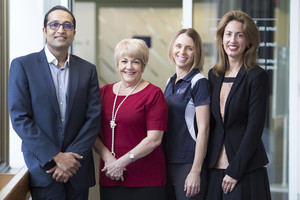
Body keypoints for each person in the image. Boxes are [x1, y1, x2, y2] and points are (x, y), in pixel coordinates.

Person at [8, 5, 102, 200]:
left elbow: (93, 118)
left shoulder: (87, 70)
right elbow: (20, 117)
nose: (61, 30)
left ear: (74, 33)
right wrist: (56, 157)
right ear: (44, 31)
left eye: (67, 25)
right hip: (43, 168)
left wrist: (71, 159)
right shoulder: (23, 66)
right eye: (54, 24)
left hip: (78, 167)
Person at [206, 10, 271, 200]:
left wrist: (235, 170)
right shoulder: (214, 75)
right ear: (221, 39)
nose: (232, 40)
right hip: (214, 168)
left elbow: (254, 128)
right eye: (228, 34)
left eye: (239, 35)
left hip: (244, 169)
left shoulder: (257, 76)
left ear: (249, 41)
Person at [93, 38, 168, 200]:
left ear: (143, 65)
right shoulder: (103, 93)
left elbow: (154, 139)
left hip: (146, 179)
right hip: (111, 175)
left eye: (136, 62)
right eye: (124, 61)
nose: (129, 67)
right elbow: (92, 133)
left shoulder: (153, 94)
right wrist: (109, 160)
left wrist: (121, 163)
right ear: (117, 64)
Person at [163, 28, 211, 200]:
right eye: (178, 46)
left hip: (187, 164)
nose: (182, 52)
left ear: (196, 52)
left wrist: (195, 171)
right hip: (167, 162)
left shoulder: (199, 82)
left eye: (189, 48)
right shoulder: (170, 81)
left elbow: (204, 129)